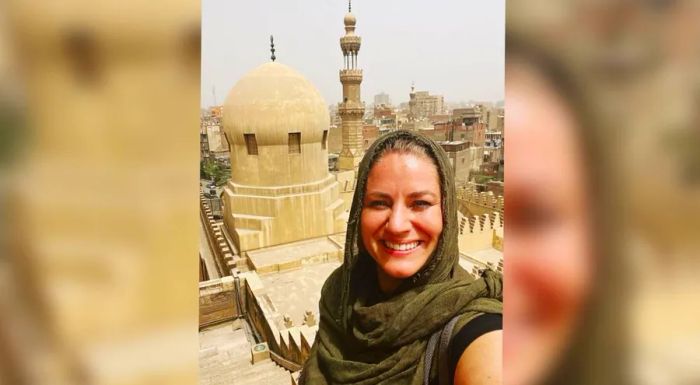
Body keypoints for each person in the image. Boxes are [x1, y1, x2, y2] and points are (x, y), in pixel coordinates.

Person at [300, 130, 503, 385]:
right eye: (379, 203)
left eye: (420, 203)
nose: (396, 225)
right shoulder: (339, 297)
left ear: (446, 213)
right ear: (358, 213)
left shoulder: (473, 330)